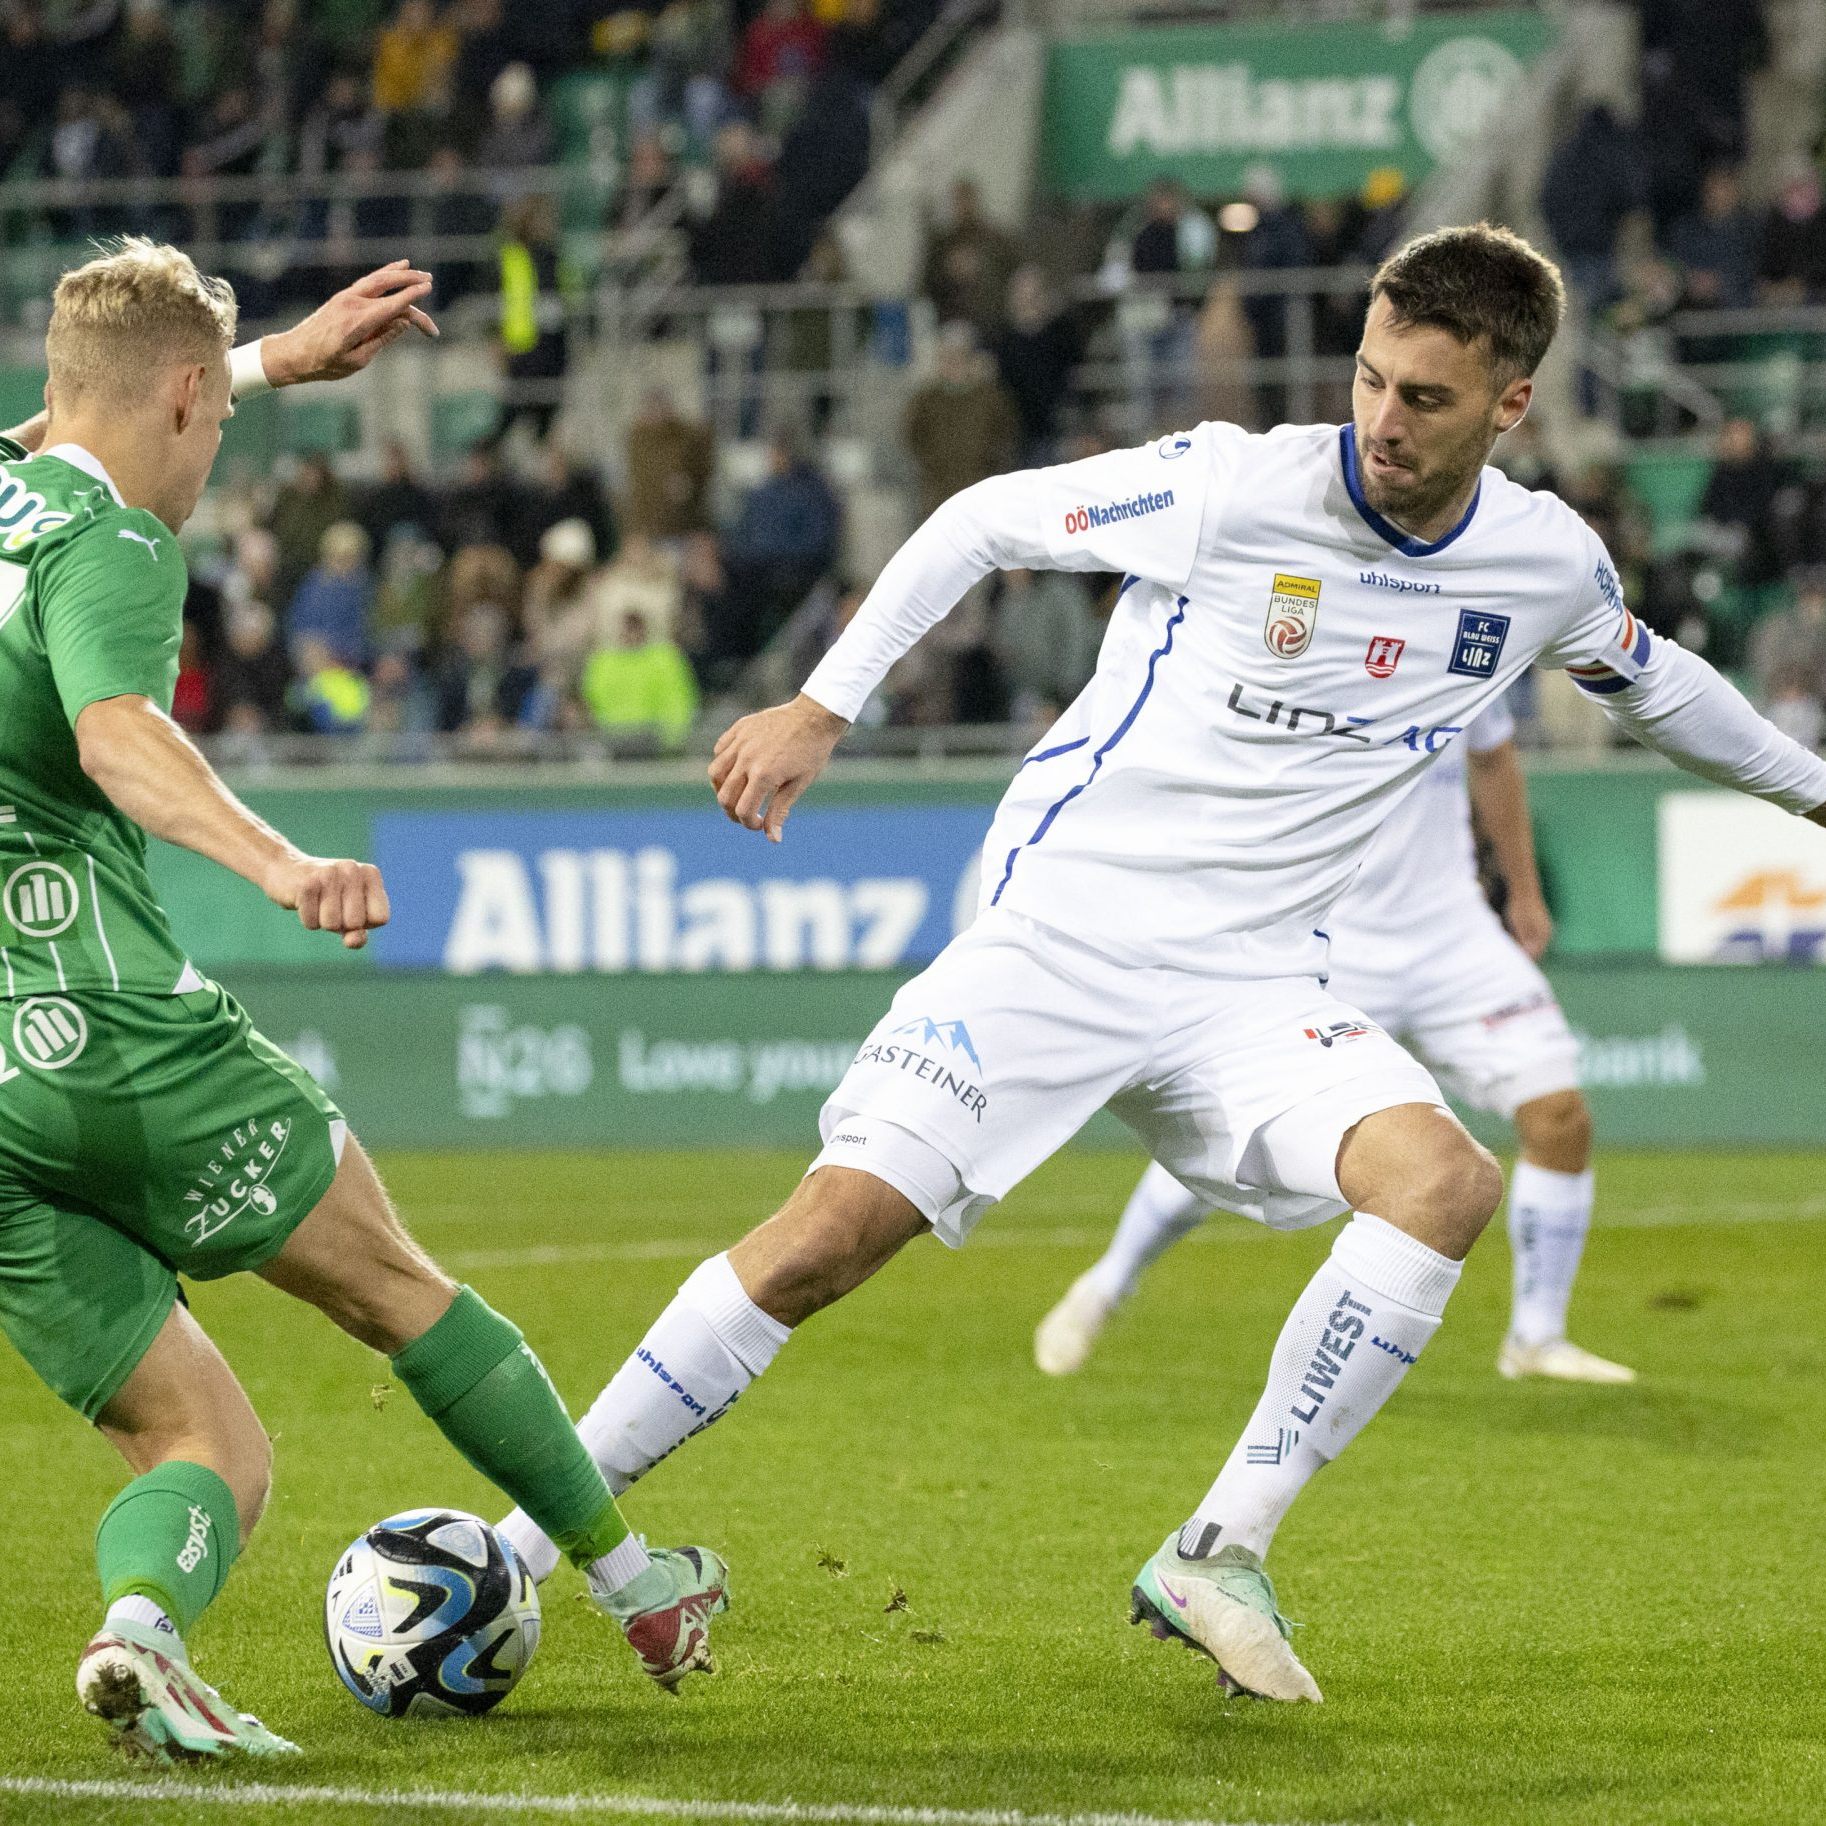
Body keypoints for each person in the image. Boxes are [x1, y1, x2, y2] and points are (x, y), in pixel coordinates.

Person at [497, 224, 1826, 1705]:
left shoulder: (1538, 561)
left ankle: (1217, 1545)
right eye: (1369, 379)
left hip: (1258, 981)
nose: (1381, 422)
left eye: (1425, 400)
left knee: (1444, 1182)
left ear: (1508, 404)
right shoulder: (1233, 483)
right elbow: (979, 520)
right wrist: (822, 704)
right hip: (1068, 927)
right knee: (825, 1240)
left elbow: (1657, 683)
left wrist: (1811, 790)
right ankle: (515, 1549)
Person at [0, 246, 726, 1762]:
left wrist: (267, 362)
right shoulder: (118, 547)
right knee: (399, 1285)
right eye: (209, 413)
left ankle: (143, 1633)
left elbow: (74, 420)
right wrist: (276, 864)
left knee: (202, 1441)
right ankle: (643, 1587)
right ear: (180, 403)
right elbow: (121, 734)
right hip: (114, 1027)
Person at [1035, 696, 1633, 1386]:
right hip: (1331, 940)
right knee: (1240, 1140)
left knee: (1560, 1116)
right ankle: (1108, 1283)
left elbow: (1493, 759)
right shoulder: (1310, 642)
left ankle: (1536, 1336)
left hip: (1454, 933)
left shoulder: (1482, 627)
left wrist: (1524, 894)